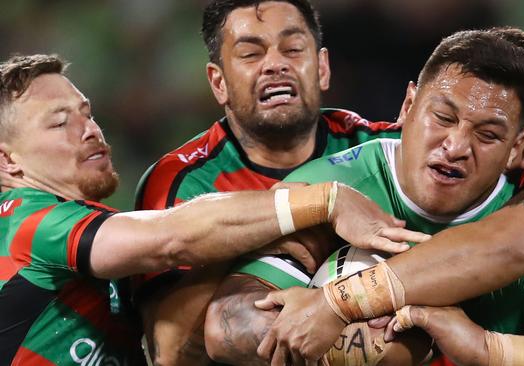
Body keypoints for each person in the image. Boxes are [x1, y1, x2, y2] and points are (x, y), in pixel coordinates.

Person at [135, 1, 524, 364]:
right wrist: (377, 346)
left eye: (292, 47)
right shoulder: (205, 180)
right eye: (251, 53)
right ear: (408, 107)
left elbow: (517, 252)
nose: (455, 145)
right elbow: (188, 346)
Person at [247, 30, 524, 364]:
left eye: (494, 132)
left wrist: (338, 304)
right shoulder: (346, 174)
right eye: (444, 117)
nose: (457, 146)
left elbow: (508, 246)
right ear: (410, 104)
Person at [0, 54, 427, 365]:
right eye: (60, 123)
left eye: (87, 114)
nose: (90, 129)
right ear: (8, 161)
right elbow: (172, 238)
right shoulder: (21, 218)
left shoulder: (79, 229)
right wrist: (325, 200)